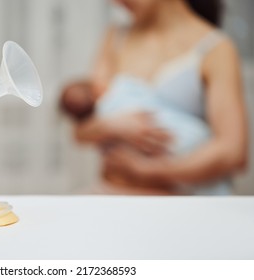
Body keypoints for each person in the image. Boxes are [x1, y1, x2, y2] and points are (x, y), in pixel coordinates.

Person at [61, 0, 248, 195]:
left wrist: (147, 171)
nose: (114, 1)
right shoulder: (116, 36)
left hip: (179, 204)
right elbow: (81, 132)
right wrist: (114, 126)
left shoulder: (215, 49)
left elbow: (233, 153)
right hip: (112, 195)